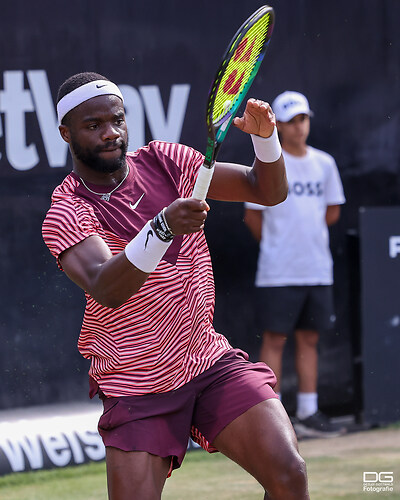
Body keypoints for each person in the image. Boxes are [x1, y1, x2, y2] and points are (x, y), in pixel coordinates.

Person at [42, 72, 309, 500]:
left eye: (117, 120)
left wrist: (266, 139)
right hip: (136, 384)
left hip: (207, 361)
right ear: (65, 133)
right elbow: (106, 286)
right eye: (93, 126)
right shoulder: (67, 209)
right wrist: (162, 227)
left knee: (289, 473)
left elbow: (266, 189)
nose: (111, 133)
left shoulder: (165, 160)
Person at [244, 91, 346, 439]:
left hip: (317, 269)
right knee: (274, 339)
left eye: (303, 119)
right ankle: (273, 414)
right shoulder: (267, 164)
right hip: (278, 272)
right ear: (279, 127)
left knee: (310, 339)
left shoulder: (324, 164)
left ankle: (308, 411)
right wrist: (279, 247)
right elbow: (252, 217)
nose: (299, 127)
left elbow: (331, 212)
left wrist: (304, 243)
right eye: (290, 122)